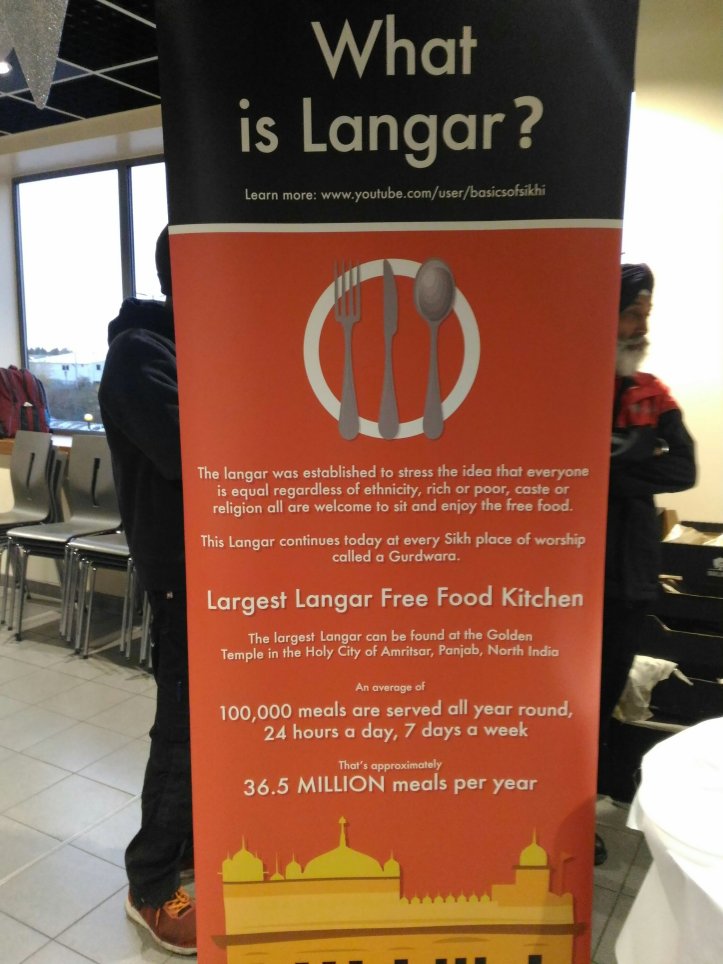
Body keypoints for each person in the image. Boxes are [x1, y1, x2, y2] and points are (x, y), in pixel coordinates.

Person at [98, 227, 196, 955]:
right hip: (179, 578)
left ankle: (185, 850)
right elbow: (193, 452)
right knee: (182, 729)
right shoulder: (139, 353)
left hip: (220, 572)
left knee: (209, 726)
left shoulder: (190, 349)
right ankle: (152, 883)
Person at [596, 263, 696, 865]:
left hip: (628, 578)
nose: (640, 328)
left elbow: (683, 469)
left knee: (603, 697)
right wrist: (633, 468)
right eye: (632, 314)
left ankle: (585, 809)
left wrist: (607, 474)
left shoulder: (653, 395)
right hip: (570, 573)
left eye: (645, 317)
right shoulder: (566, 387)